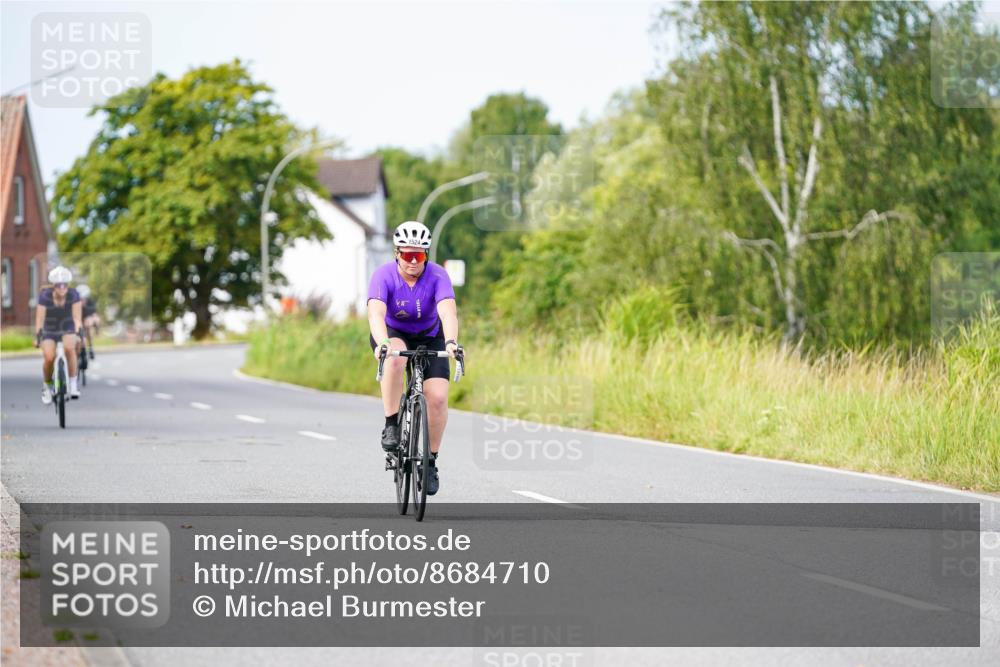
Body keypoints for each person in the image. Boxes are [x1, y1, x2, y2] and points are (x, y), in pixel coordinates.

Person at [367, 221, 459, 496]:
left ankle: (430, 462)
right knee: (395, 360)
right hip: (393, 332)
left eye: (418, 255)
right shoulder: (383, 275)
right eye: (407, 255)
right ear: (397, 253)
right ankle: (391, 424)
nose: (413, 261)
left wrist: (452, 342)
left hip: (432, 335)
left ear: (426, 255)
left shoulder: (438, 276)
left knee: (438, 397)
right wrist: (382, 342)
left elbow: (448, 313)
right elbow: (375, 313)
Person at [35, 266, 83, 403]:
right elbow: (40, 319)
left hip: (67, 326)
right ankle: (47, 386)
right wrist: (38, 336)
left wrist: (79, 332)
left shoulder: (74, 295)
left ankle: (73, 385)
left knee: (69, 348)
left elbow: (77, 317)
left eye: (65, 285)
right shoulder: (45, 296)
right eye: (59, 285)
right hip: (50, 327)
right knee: (49, 357)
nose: (62, 288)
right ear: (53, 286)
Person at [77, 284, 99, 359]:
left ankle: (90, 347)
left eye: (84, 299)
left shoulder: (90, 302)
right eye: (81, 299)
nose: (82, 300)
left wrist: (95, 324)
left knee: (88, 324)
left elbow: (94, 314)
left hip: (86, 321)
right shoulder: (75, 304)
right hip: (78, 322)